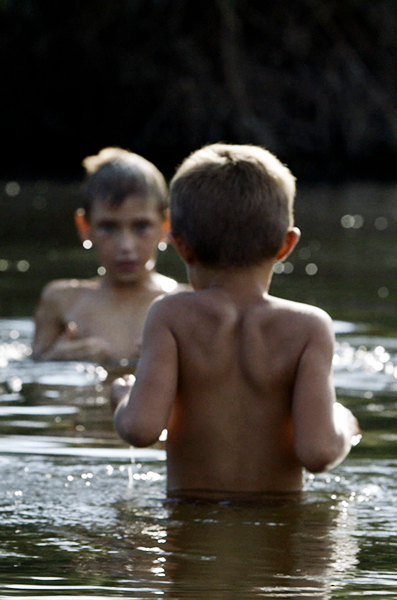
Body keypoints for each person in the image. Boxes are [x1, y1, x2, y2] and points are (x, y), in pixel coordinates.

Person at [111, 143, 361, 497]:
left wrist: (123, 397)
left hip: (189, 525)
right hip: (282, 535)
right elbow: (319, 451)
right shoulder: (309, 327)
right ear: (286, 245)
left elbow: (140, 429)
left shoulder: (171, 315)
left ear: (180, 245)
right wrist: (345, 422)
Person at [32, 147, 180, 364]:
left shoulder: (184, 305)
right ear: (85, 227)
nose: (126, 246)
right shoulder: (61, 301)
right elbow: (33, 378)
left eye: (141, 226)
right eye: (109, 227)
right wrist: (56, 360)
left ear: (165, 226)